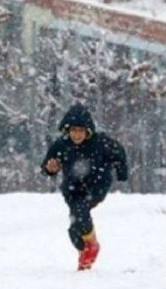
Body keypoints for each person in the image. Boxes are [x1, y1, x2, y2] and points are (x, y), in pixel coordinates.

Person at [40, 103, 128, 270]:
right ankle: (87, 246)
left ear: (88, 131)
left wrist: (121, 172)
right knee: (75, 225)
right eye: (73, 130)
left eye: (81, 131)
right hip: (72, 189)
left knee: (81, 211)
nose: (77, 135)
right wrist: (49, 168)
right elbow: (47, 165)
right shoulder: (61, 145)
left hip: (96, 186)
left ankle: (91, 247)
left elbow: (119, 152)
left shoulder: (101, 142)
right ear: (67, 130)